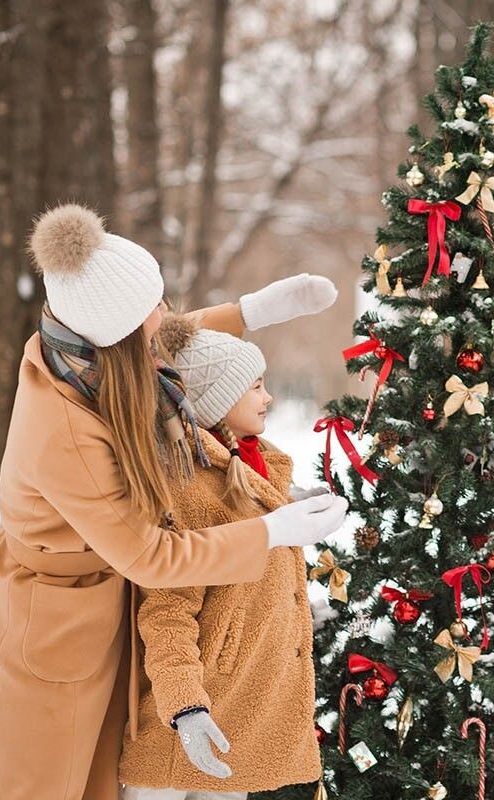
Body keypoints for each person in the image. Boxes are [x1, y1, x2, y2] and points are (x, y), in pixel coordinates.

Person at [0, 204, 348, 800]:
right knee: (50, 783)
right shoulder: (65, 431)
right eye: (155, 308)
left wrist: (252, 311)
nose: (167, 316)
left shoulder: (86, 353)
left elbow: (158, 338)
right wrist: (271, 532)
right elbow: (151, 556)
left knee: (109, 779)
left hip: (109, 589)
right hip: (56, 617)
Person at [119, 317, 322, 799]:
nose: (268, 397)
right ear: (216, 402)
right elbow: (167, 610)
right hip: (190, 710)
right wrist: (185, 706)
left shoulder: (260, 468)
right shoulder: (189, 488)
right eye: (255, 387)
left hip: (238, 714)